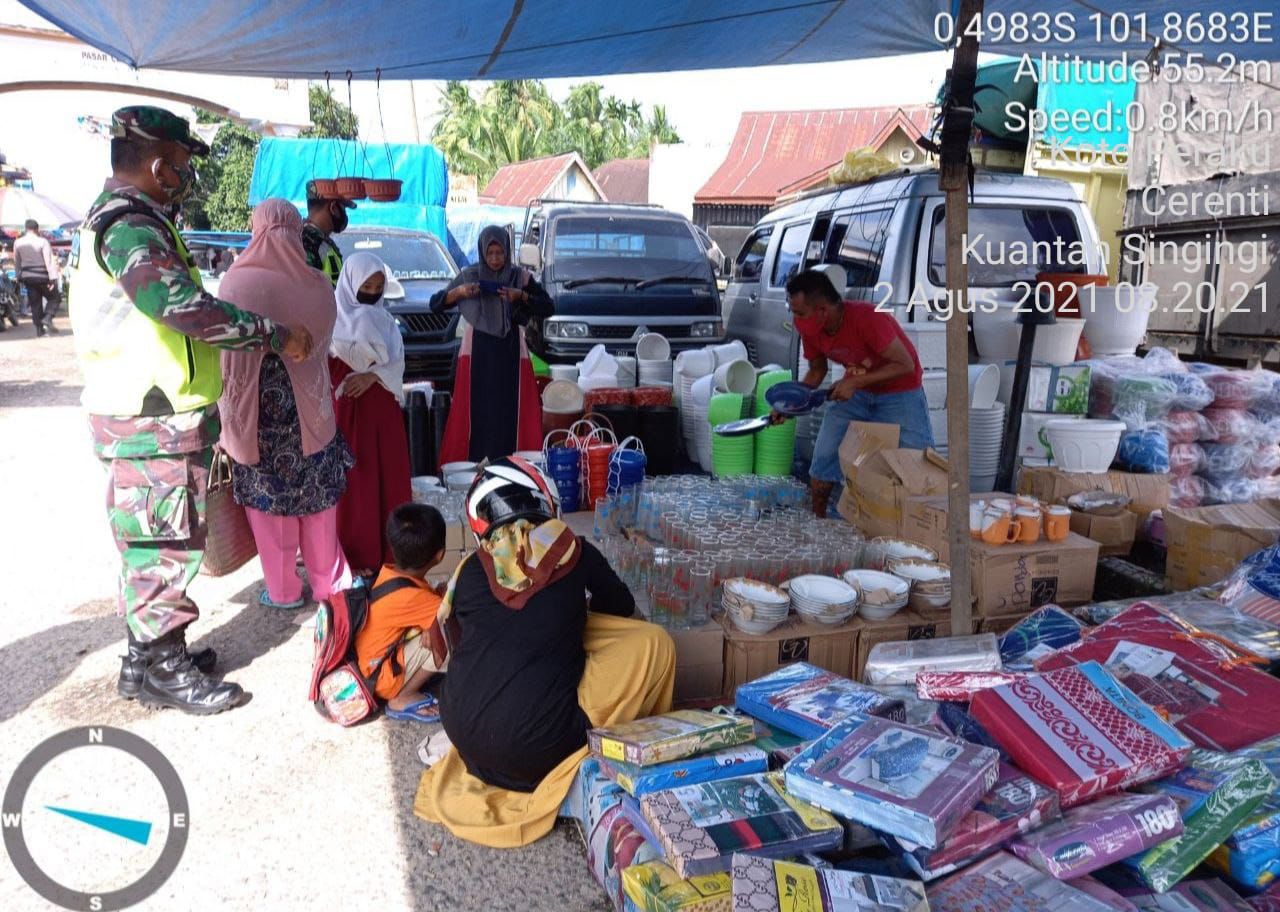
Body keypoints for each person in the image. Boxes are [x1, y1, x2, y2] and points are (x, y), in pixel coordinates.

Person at [70, 105, 312, 715]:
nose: (183, 177)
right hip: (148, 414)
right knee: (164, 539)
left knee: (155, 535)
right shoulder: (129, 228)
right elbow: (182, 307)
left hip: (149, 412)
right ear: (157, 164)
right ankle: (162, 669)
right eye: (179, 165)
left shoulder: (128, 221)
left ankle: (146, 653)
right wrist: (275, 336)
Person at [414, 457, 675, 848]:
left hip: (464, 736)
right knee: (655, 643)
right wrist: (564, 610)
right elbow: (621, 608)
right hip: (538, 752)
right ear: (541, 499)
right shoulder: (575, 552)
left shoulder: (468, 569)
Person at [218, 198, 354, 611]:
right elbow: (325, 342)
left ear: (257, 228)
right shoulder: (316, 284)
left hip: (254, 416)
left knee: (269, 504)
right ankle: (329, 584)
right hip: (309, 413)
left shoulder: (235, 284)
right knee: (317, 502)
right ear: (296, 230)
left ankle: (282, 590)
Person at [786, 268, 933, 517]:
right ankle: (817, 525)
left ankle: (921, 531)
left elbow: (905, 364)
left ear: (822, 310)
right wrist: (789, 405)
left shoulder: (868, 318)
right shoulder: (811, 328)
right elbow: (817, 369)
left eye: (800, 313)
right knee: (822, 460)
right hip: (857, 391)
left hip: (900, 390)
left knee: (917, 467)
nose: (796, 319)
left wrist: (855, 383)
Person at [430, 226, 552, 463]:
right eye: (490, 253)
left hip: (511, 354)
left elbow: (548, 306)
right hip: (477, 354)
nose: (496, 259)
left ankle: (512, 463)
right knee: (479, 413)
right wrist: (459, 293)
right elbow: (435, 304)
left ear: (507, 252)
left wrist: (522, 296)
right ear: (482, 253)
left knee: (509, 413)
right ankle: (476, 466)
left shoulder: (519, 277)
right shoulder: (470, 275)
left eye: (500, 253)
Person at [329, 252, 412, 577]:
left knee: (388, 477)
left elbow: (397, 363)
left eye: (379, 286)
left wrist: (371, 375)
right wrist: (353, 375)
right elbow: (326, 363)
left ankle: (393, 553)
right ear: (351, 283)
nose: (373, 291)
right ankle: (356, 555)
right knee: (357, 480)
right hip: (350, 410)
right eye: (367, 285)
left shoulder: (386, 321)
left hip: (382, 409)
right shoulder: (332, 317)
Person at [353, 503, 446, 718]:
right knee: (450, 636)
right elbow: (452, 619)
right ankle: (403, 696)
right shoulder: (416, 598)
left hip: (369, 664)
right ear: (440, 555)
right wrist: (435, 628)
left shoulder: (389, 573)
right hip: (381, 678)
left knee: (436, 627)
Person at [301, 180, 355, 287]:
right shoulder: (306, 242)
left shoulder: (319, 240)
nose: (345, 214)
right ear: (333, 208)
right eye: (343, 209)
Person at [13, 219, 61, 336]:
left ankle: (39, 330)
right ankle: (47, 318)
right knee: (55, 297)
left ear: (26, 228)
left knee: (35, 303)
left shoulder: (18, 243)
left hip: (28, 277)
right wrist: (53, 278)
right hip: (42, 276)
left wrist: (18, 276)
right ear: (37, 229)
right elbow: (48, 261)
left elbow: (17, 262)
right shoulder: (43, 241)